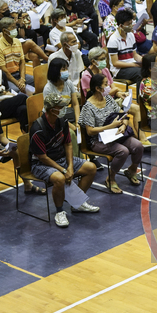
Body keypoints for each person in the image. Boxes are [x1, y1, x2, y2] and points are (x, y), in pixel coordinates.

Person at [29, 93, 99, 227]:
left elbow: (67, 144)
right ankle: (60, 212)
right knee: (60, 178)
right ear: (51, 110)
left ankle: (77, 203)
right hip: (40, 164)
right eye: (60, 107)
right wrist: (63, 170)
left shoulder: (62, 121)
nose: (64, 109)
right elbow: (42, 157)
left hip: (60, 158)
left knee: (91, 168)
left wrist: (70, 167)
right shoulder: (37, 128)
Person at [79, 73, 144, 194]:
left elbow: (122, 114)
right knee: (122, 151)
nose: (109, 86)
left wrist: (124, 125)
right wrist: (110, 126)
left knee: (138, 145)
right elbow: (90, 131)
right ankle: (111, 178)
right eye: (105, 84)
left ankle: (132, 170)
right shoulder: (88, 106)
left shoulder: (108, 98)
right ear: (98, 88)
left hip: (115, 134)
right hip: (98, 140)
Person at [82, 47, 152, 148]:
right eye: (101, 59)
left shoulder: (105, 70)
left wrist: (120, 94)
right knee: (125, 114)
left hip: (111, 100)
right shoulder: (86, 75)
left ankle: (142, 139)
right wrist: (115, 91)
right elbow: (94, 94)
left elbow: (113, 87)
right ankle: (137, 141)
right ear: (93, 61)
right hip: (99, 104)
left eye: (104, 58)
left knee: (136, 109)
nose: (104, 61)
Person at [43, 57, 81, 156]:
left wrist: (78, 122)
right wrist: (70, 125)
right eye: (63, 69)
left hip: (65, 113)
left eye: (66, 69)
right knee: (71, 134)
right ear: (55, 71)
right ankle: (76, 160)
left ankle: (89, 156)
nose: (66, 72)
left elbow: (76, 104)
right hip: (53, 119)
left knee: (85, 125)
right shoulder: (48, 88)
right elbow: (54, 113)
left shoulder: (68, 83)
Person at [0, 17, 34, 94]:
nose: (15, 29)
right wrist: (17, 83)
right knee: (17, 91)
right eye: (12, 27)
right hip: (6, 78)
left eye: (15, 27)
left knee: (36, 81)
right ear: (4, 31)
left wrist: (22, 79)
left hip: (18, 73)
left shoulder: (17, 41)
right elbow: (4, 70)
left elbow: (22, 61)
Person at [107, 9, 143, 88]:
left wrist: (143, 60)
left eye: (131, 23)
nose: (131, 26)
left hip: (131, 65)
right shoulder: (113, 40)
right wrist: (133, 65)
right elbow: (115, 63)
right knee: (141, 73)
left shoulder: (131, 35)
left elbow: (135, 55)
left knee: (153, 67)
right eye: (128, 24)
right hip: (119, 70)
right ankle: (139, 98)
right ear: (120, 25)